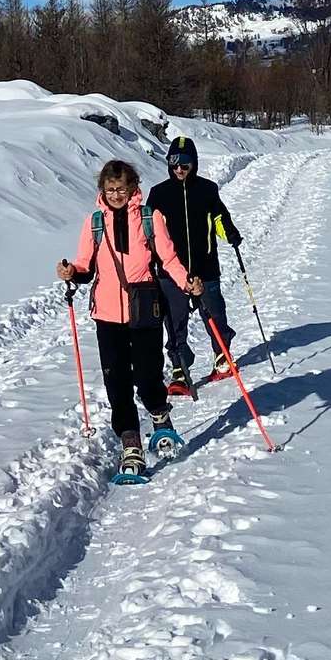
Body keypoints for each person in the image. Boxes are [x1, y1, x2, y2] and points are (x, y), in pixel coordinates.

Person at [57, 159, 203, 480]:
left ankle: (160, 415)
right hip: (107, 315)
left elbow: (169, 259)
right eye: (110, 189)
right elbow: (85, 265)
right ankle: (130, 444)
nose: (116, 195)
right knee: (117, 383)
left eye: (122, 189)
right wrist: (72, 272)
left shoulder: (151, 219)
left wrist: (186, 282)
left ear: (134, 186)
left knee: (148, 376)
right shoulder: (94, 223)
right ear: (102, 190)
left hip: (144, 310)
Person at [145, 136, 243, 395]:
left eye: (185, 162)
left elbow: (220, 218)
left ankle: (221, 356)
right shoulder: (159, 194)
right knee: (174, 321)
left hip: (205, 267)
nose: (179, 168)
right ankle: (179, 367)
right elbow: (148, 232)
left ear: (194, 163)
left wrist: (229, 233)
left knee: (214, 314)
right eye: (174, 162)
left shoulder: (207, 189)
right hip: (170, 272)